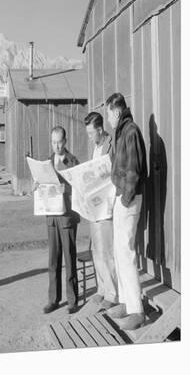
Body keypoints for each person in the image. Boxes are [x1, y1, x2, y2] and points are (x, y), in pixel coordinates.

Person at [105, 93, 147, 330]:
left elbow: (134, 170)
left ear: (116, 111)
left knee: (127, 251)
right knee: (119, 252)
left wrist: (125, 198)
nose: (108, 119)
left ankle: (136, 311)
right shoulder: (122, 131)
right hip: (122, 197)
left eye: (109, 114)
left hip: (128, 199)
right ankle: (125, 301)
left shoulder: (130, 131)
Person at [43, 126, 80, 314]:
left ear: (65, 141)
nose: (56, 146)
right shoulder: (47, 162)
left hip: (67, 218)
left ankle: (72, 300)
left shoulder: (72, 162)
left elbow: (80, 187)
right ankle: (53, 299)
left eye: (59, 142)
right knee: (53, 260)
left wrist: (67, 189)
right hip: (51, 216)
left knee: (69, 258)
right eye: (53, 142)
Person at [84, 112, 118, 310]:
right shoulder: (95, 148)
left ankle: (113, 292)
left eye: (91, 133)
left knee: (107, 251)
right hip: (94, 206)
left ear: (99, 129)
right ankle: (102, 289)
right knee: (96, 249)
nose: (89, 137)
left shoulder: (110, 145)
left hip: (106, 205)